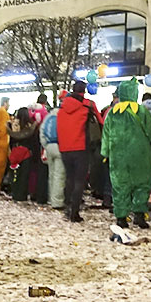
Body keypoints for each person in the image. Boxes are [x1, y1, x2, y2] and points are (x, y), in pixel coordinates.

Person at [100, 78, 151, 229]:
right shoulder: (142, 111)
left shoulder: (112, 113)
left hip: (118, 157)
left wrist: (105, 153)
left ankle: (121, 218)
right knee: (141, 185)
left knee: (120, 186)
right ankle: (139, 216)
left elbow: (106, 135)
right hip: (140, 155)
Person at [57, 80, 97, 222]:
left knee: (69, 178)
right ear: (84, 91)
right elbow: (100, 122)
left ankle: (68, 206)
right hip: (81, 147)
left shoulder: (62, 108)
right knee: (79, 180)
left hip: (64, 148)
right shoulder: (88, 106)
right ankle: (74, 212)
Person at [9, 108, 40, 202]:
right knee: (24, 175)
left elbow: (11, 139)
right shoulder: (30, 126)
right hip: (26, 153)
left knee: (15, 174)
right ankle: (22, 195)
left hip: (15, 151)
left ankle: (15, 193)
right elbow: (34, 142)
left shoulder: (14, 125)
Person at [41, 97, 65, 209]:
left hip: (49, 146)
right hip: (60, 147)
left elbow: (42, 132)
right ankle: (57, 202)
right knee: (59, 175)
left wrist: (45, 145)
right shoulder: (63, 116)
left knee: (51, 174)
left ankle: (51, 199)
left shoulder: (48, 117)